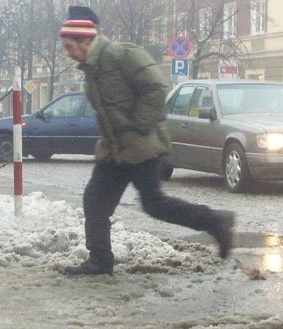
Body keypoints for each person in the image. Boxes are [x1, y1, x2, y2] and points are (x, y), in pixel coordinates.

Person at [59, 6, 234, 275]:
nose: (68, 52)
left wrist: (139, 126)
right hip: (114, 151)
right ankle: (100, 261)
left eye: (70, 45)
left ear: (85, 40)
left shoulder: (121, 54)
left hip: (142, 147)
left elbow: (156, 86)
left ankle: (216, 222)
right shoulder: (91, 68)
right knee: (95, 202)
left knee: (155, 205)